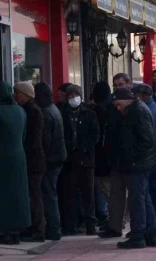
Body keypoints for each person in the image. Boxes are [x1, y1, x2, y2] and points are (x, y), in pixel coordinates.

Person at [112, 88, 156, 249]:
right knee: (143, 197)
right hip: (140, 163)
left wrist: (131, 157)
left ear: (127, 100)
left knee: (137, 199)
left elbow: (147, 140)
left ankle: (138, 234)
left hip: (139, 164)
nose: (118, 108)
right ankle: (151, 233)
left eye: (119, 104)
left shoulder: (137, 112)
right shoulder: (134, 110)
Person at [0, 82, 30, 245]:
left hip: (0, 159)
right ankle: (16, 229)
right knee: (18, 194)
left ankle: (1, 230)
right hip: (19, 156)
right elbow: (23, 135)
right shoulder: (20, 111)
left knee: (1, 195)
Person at [132, 84, 156, 241]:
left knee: (155, 197)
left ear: (143, 96)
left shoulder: (148, 111)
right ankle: (155, 230)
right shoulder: (153, 108)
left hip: (155, 162)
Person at [60, 85, 100, 236]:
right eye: (70, 95)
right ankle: (71, 225)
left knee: (88, 193)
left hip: (86, 159)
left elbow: (95, 134)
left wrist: (85, 147)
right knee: (69, 193)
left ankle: (90, 223)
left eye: (75, 95)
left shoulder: (89, 113)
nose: (73, 98)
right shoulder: (63, 112)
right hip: (70, 159)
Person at [99, 74, 131, 238]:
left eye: (121, 84)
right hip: (115, 156)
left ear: (128, 84)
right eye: (115, 85)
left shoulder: (134, 107)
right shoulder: (111, 106)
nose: (118, 88)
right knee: (115, 194)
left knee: (134, 195)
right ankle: (115, 225)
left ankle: (138, 228)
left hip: (130, 158)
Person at [13, 82, 47, 242]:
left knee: (34, 195)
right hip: (33, 159)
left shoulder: (32, 111)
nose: (15, 96)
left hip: (33, 160)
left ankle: (38, 229)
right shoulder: (29, 110)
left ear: (25, 94)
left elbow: (33, 138)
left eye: (17, 93)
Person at [34, 83, 67, 241]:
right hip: (57, 157)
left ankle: (53, 228)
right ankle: (54, 226)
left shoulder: (47, 113)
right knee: (51, 192)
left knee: (48, 193)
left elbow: (45, 140)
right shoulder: (54, 109)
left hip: (51, 159)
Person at [89, 81, 112, 228]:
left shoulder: (101, 111)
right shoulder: (110, 108)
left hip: (103, 157)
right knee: (104, 188)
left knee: (105, 188)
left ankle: (110, 216)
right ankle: (107, 215)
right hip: (104, 157)